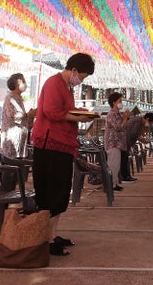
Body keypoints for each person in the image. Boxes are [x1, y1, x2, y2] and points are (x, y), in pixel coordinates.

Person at [31, 53, 95, 257]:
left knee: (59, 194)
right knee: (50, 194)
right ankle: (46, 240)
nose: (81, 81)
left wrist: (80, 113)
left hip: (63, 146)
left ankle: (52, 234)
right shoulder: (53, 83)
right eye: (82, 77)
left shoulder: (67, 88)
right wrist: (79, 115)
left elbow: (65, 110)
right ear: (74, 70)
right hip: (50, 146)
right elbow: (52, 111)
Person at [1, 73, 36, 158]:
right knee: (12, 168)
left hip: (20, 143)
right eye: (23, 81)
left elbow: (23, 120)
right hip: (12, 143)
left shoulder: (18, 98)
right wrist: (28, 114)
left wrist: (30, 116)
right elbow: (13, 116)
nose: (25, 84)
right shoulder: (10, 97)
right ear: (17, 83)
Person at [104, 92, 129, 191]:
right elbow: (118, 127)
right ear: (114, 102)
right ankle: (111, 184)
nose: (121, 103)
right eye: (120, 101)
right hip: (113, 142)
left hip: (117, 143)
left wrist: (124, 118)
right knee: (113, 165)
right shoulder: (112, 114)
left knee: (115, 165)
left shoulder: (117, 113)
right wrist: (125, 118)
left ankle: (113, 184)